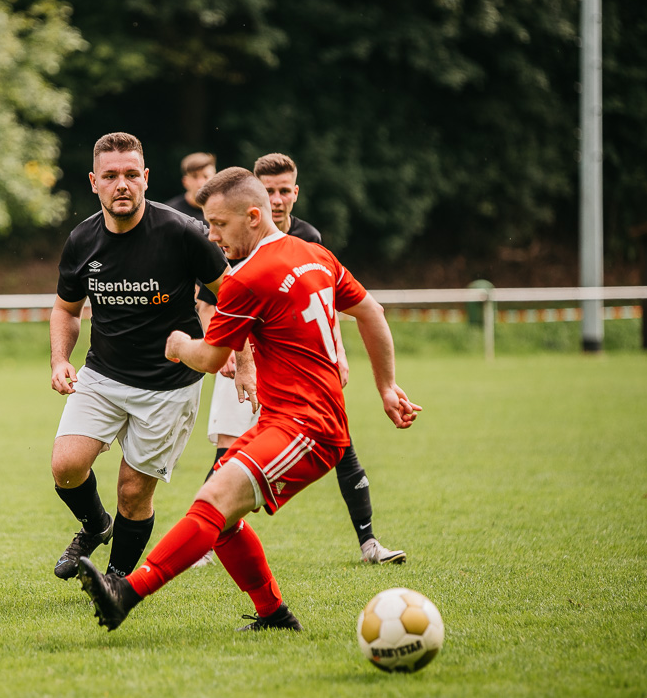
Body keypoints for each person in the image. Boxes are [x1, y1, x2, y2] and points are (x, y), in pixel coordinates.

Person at [76, 167, 421, 632]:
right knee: (222, 516)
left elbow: (209, 357)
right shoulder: (314, 254)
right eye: (208, 224)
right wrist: (387, 386)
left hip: (308, 427)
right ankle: (274, 616)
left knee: (213, 501)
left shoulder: (248, 278)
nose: (211, 235)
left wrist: (178, 344)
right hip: (286, 420)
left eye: (219, 224)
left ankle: (126, 593)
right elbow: (371, 311)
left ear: (253, 217)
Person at [201, 153, 405, 565]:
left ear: (295, 192)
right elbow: (210, 302)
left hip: (301, 369)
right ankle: (202, 542)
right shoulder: (228, 234)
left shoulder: (309, 238)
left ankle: (369, 543)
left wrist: (338, 351)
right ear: (255, 199)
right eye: (269, 190)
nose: (277, 199)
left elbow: (325, 300)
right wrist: (240, 360)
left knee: (340, 445)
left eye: (284, 190)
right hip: (242, 359)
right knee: (229, 451)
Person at [49, 132, 229, 580]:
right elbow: (66, 309)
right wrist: (60, 359)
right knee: (66, 467)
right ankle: (96, 525)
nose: (122, 185)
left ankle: (115, 582)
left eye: (131, 174)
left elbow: (232, 293)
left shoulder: (183, 232)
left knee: (132, 492)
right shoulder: (82, 239)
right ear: (94, 182)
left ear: (146, 178)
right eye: (110, 176)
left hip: (169, 386)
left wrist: (239, 359)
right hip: (102, 374)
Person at [163, 152, 216, 223]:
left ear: (215, 178)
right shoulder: (170, 214)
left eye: (205, 176)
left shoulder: (224, 210)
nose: (200, 183)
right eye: (195, 177)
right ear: (185, 182)